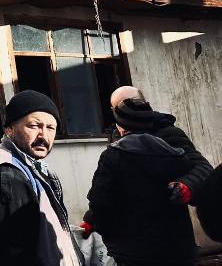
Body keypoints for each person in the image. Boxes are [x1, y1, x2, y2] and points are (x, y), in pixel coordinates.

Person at [81, 87, 213, 266]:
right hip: (130, 249)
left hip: (170, 244)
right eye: (118, 108)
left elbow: (203, 168)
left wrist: (186, 186)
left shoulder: (168, 133)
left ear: (143, 103)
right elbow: (107, 193)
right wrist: (91, 220)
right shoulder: (116, 140)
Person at [0, 90, 83, 266]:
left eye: (50, 128)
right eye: (34, 126)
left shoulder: (31, 165)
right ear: (9, 129)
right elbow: (19, 253)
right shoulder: (8, 173)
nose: (43, 135)